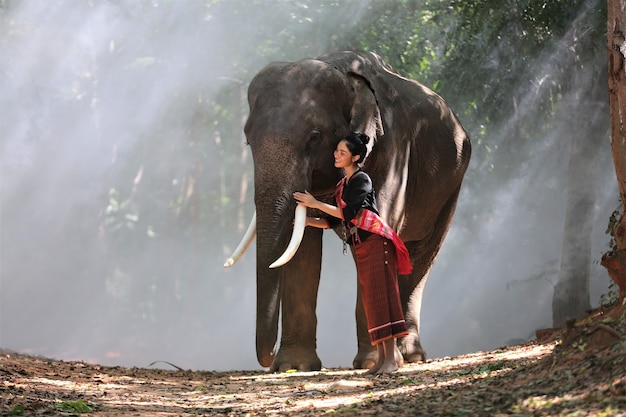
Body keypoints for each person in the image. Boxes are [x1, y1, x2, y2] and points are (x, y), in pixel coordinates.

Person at [293, 131, 413, 375]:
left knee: (382, 299)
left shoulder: (362, 180)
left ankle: (390, 360)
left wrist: (315, 203)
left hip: (378, 242)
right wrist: (307, 221)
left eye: (342, 153)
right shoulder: (343, 185)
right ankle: (381, 360)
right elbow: (333, 222)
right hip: (363, 245)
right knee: (372, 303)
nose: (336, 155)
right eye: (336, 151)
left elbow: (349, 214)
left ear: (355, 157)